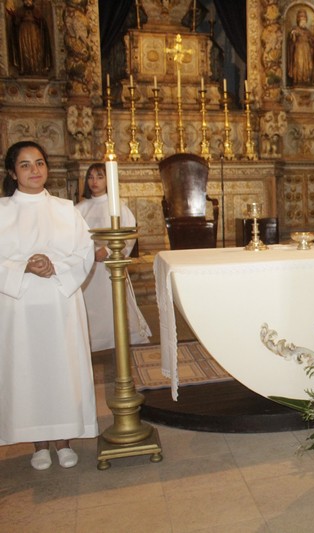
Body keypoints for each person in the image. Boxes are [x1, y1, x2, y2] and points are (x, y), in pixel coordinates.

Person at [0, 140, 97, 470]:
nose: (34, 170)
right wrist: (23, 267)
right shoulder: (2, 211)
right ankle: (38, 444)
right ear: (12, 173)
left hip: (59, 301)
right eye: (25, 165)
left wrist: (55, 266)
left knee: (62, 367)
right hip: (18, 305)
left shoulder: (65, 209)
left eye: (39, 163)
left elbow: (84, 250)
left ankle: (64, 440)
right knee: (27, 370)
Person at [77, 163, 151, 352]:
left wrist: (109, 251)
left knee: (113, 302)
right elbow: (73, 236)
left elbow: (128, 233)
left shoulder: (117, 206)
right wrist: (89, 253)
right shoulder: (80, 209)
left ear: (108, 180)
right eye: (90, 177)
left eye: (100, 177)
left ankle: (117, 338)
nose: (94, 181)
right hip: (87, 267)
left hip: (109, 266)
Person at [9, 0, 52, 76]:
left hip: (35, 33)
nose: (27, 1)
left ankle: (37, 68)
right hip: (23, 33)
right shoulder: (19, 11)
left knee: (36, 49)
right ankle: (24, 68)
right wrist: (14, 17)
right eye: (26, 0)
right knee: (24, 50)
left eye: (29, 0)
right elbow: (16, 23)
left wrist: (40, 21)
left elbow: (42, 23)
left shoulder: (37, 11)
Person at [286, 8, 314, 87]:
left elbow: (312, 40)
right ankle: (298, 80)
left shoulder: (308, 31)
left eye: (304, 20)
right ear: (298, 20)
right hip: (299, 49)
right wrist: (293, 35)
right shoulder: (295, 29)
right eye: (301, 20)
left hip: (307, 50)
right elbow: (292, 40)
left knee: (308, 66)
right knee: (299, 64)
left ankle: (306, 80)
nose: (303, 21)